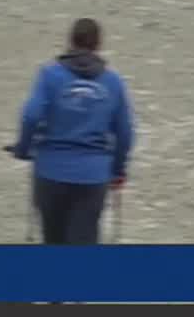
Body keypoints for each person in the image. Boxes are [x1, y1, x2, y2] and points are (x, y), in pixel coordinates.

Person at [9, 18, 133, 245]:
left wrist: (23, 149)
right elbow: (125, 133)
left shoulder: (49, 75)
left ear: (70, 41)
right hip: (93, 176)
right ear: (98, 44)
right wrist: (118, 171)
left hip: (50, 173)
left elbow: (31, 116)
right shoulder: (113, 82)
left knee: (53, 241)